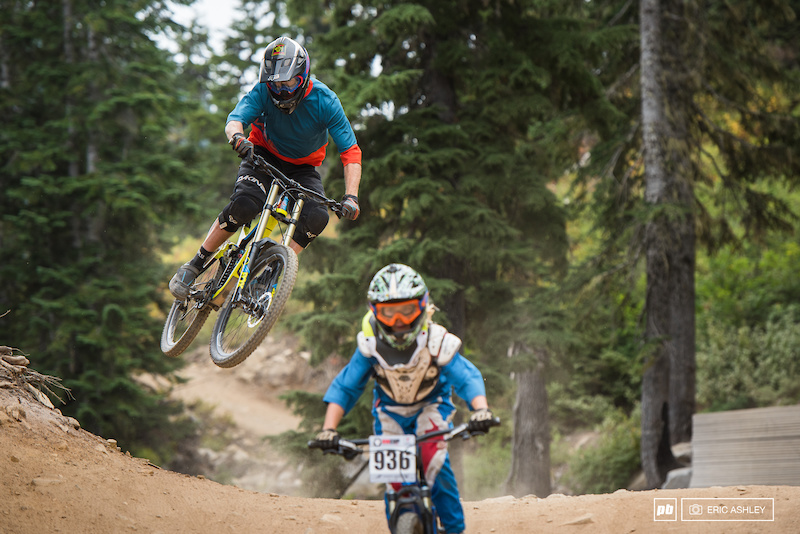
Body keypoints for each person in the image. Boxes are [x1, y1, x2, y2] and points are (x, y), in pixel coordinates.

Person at [170, 36, 362, 300]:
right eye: (276, 84)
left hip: (303, 168)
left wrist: (351, 196)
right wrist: (237, 138)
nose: (282, 91)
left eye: (289, 83)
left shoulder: (326, 101)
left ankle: (269, 274)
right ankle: (195, 263)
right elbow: (235, 120)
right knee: (246, 204)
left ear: (303, 75)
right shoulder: (262, 91)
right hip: (262, 155)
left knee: (318, 217)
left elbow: (350, 151)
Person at [311, 264, 495, 534]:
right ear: (375, 311)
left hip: (432, 406)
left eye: (406, 310)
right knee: (394, 482)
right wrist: (329, 429)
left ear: (421, 307)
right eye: (388, 312)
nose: (398, 321)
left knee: (434, 461)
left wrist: (481, 410)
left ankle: (455, 529)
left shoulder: (436, 339)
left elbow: (466, 377)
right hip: (389, 412)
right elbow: (346, 386)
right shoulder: (370, 345)